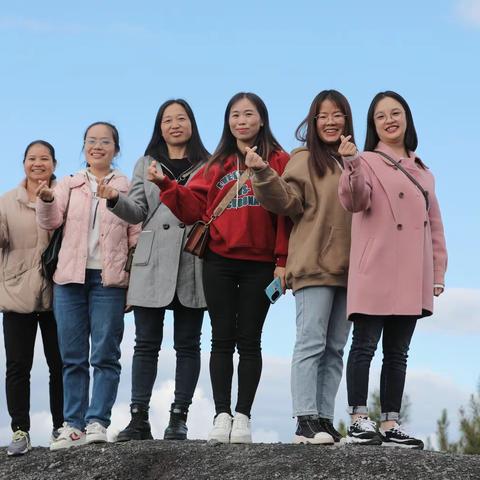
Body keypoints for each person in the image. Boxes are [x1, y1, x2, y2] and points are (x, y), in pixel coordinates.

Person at [147, 92, 290, 443]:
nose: (241, 121)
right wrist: (167, 185)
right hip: (219, 261)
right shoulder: (216, 164)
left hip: (261, 264)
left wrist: (283, 261)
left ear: (262, 118)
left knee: (250, 341)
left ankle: (243, 416)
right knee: (221, 339)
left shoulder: (280, 159)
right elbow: (193, 208)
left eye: (248, 114)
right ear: (228, 122)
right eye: (235, 115)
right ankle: (221, 414)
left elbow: (289, 213)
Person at [338, 91, 447, 449]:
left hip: (412, 272)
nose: (389, 120)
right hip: (375, 266)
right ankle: (357, 418)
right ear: (373, 125)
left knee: (398, 352)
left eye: (395, 112)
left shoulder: (424, 172)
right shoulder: (365, 160)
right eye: (380, 116)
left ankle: (390, 423)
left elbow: (435, 225)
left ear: (406, 118)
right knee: (365, 344)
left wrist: (438, 271)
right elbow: (355, 201)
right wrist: (351, 164)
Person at [97, 99, 209, 441]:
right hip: (151, 262)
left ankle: (179, 418)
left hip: (192, 261)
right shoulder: (145, 163)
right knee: (145, 344)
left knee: (188, 344)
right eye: (167, 120)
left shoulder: (207, 164)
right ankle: (138, 417)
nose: (175, 125)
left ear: (192, 123)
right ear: (159, 127)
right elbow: (138, 211)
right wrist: (114, 199)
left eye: (181, 118)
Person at [247, 90, 353, 445]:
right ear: (312, 121)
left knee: (336, 347)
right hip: (313, 265)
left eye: (337, 114)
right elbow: (285, 201)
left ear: (347, 120)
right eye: (323, 116)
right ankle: (304, 420)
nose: (330, 121)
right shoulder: (303, 159)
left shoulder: (355, 160)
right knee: (311, 342)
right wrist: (262, 173)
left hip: (351, 270)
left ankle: (324, 417)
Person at [36, 122, 140, 450]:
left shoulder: (126, 184)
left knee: (106, 355)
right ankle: (73, 424)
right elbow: (50, 222)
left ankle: (98, 421)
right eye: (91, 141)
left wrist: (133, 283)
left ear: (116, 149)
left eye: (105, 141)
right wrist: (47, 200)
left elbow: (135, 235)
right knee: (72, 357)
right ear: (83, 147)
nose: (97, 146)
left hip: (109, 281)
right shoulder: (69, 182)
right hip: (70, 280)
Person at [0, 141, 63, 456]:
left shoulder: (65, 196)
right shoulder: (6, 202)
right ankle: (20, 429)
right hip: (17, 292)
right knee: (17, 366)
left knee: (61, 364)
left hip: (59, 292)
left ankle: (61, 427)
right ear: (23, 162)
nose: (38, 163)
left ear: (55, 163)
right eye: (32, 158)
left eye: (45, 158)